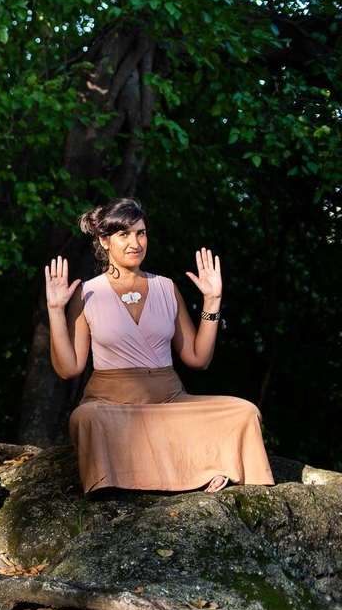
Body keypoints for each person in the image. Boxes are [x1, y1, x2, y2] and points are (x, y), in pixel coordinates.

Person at [44, 197, 276, 495]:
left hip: (170, 402)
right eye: (124, 234)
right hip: (114, 406)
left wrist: (212, 301)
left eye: (140, 233)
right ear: (104, 240)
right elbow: (68, 368)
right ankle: (200, 466)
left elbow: (197, 358)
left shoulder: (166, 287)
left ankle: (198, 468)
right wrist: (54, 310)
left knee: (244, 412)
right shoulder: (88, 293)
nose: (135, 242)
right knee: (87, 418)